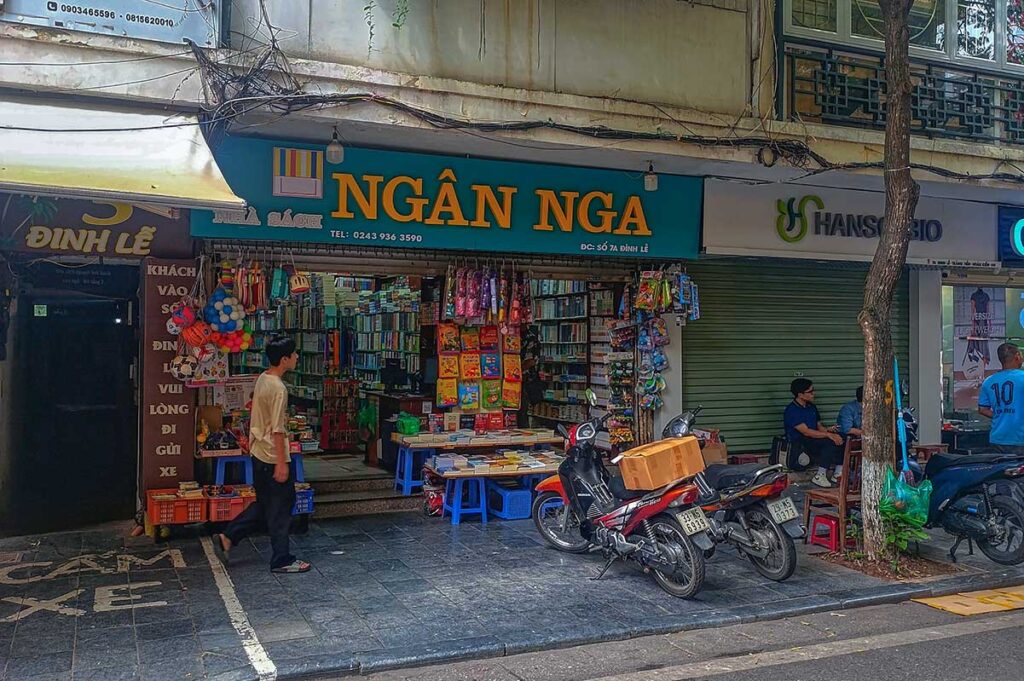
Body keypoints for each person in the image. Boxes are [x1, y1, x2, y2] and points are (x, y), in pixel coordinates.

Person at [214, 336, 311, 573]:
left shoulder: (263, 379)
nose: (297, 357)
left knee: (265, 504)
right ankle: (282, 559)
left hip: (258, 452)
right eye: (294, 354)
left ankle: (229, 536)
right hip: (271, 455)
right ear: (285, 359)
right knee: (280, 510)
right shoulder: (279, 388)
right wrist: (281, 462)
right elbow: (278, 429)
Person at [784, 378, 845, 488]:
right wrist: (828, 435)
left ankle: (838, 473)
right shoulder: (792, 410)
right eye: (810, 392)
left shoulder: (811, 407)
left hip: (814, 437)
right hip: (800, 442)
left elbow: (819, 427)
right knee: (829, 442)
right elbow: (806, 432)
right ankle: (820, 475)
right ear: (800, 394)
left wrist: (829, 430)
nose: (813, 394)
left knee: (842, 437)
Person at [978, 342, 1024, 456]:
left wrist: (1002, 415)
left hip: (997, 439)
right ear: (1017, 356)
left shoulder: (988, 381)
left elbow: (982, 409)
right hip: (1020, 438)